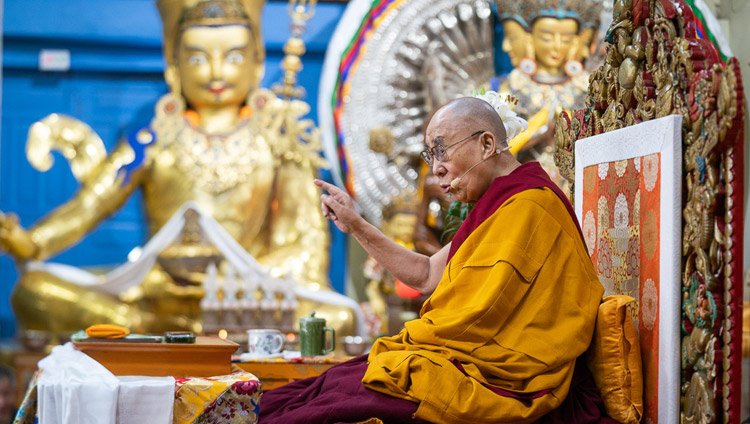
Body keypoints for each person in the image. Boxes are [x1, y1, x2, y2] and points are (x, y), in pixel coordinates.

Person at [0, 0, 354, 341]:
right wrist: (32, 242)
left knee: (338, 319)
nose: (216, 71)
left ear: (257, 62)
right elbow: (92, 204)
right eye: (198, 57)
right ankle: (139, 326)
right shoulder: (152, 137)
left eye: (233, 56)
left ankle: (144, 336)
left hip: (243, 301)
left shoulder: (280, 140)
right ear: (174, 64)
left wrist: (234, 276)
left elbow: (307, 246)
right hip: (157, 294)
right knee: (34, 290)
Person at [259, 96, 613, 423]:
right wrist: (356, 225)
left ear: (487, 144)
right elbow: (427, 274)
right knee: (326, 386)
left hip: (505, 380)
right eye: (431, 157)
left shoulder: (533, 207)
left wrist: (417, 342)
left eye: (442, 152)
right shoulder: (495, 209)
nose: (436, 170)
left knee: (340, 400)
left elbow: (479, 318)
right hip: (465, 362)